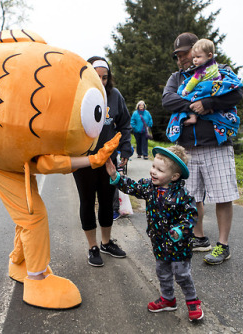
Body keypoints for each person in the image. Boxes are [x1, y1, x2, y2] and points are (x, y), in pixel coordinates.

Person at [163, 32, 243, 265]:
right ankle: (199, 238)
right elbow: (167, 100)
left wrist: (209, 103)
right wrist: (194, 106)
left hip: (215, 146)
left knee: (222, 196)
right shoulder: (176, 78)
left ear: (200, 50)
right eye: (177, 56)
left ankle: (223, 245)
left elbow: (236, 93)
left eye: (185, 53)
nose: (182, 59)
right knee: (191, 196)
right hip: (187, 148)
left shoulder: (219, 69)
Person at [105, 145, 204, 321]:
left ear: (174, 176)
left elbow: (191, 215)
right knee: (162, 272)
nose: (153, 172)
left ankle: (192, 301)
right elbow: (132, 187)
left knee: (182, 274)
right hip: (159, 242)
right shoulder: (149, 187)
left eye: (159, 170)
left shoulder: (182, 195)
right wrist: (115, 176)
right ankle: (168, 299)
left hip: (178, 246)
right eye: (153, 166)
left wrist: (180, 230)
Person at [73, 56, 133, 267]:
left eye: (105, 77)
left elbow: (124, 123)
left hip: (108, 160)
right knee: (87, 201)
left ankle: (106, 242)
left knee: (108, 201)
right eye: (96, 76)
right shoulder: (79, 95)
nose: (101, 81)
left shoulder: (114, 96)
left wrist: (126, 147)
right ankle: (92, 247)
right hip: (84, 160)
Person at [180, 38, 222, 125]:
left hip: (204, 91)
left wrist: (186, 91)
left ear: (209, 55)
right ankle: (210, 109)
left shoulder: (201, 70)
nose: (195, 60)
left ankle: (192, 116)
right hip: (215, 91)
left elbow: (193, 82)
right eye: (194, 57)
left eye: (198, 57)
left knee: (186, 97)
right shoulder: (215, 64)